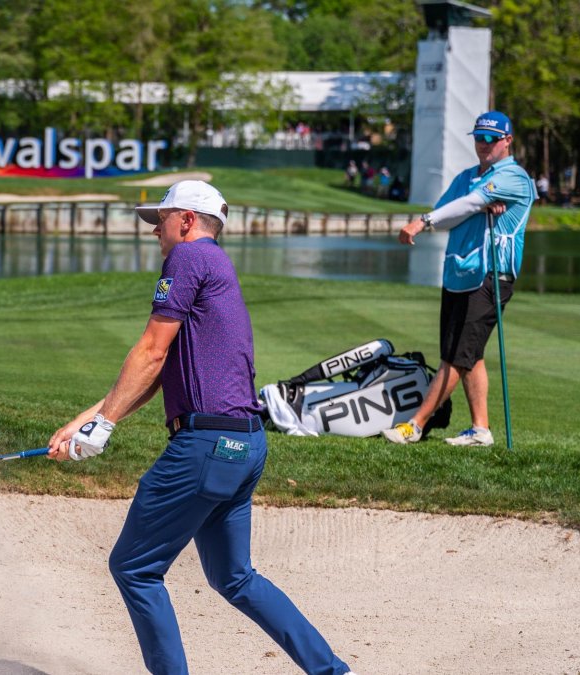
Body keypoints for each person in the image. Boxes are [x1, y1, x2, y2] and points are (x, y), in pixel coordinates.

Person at [48, 180, 354, 675]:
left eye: (160, 222)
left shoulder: (188, 260)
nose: (155, 233)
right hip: (244, 445)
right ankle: (333, 671)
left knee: (134, 568)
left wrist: (102, 426)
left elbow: (151, 350)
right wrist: (87, 419)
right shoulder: (215, 263)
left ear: (186, 221)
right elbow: (157, 371)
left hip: (207, 446)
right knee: (235, 577)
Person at [382, 111, 535, 447]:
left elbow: (466, 204)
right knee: (470, 355)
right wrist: (467, 209)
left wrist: (422, 222)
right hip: (458, 273)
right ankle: (481, 430)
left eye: (491, 139)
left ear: (507, 141)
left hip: (491, 275)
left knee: (455, 356)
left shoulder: (514, 177)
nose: (483, 145)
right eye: (479, 138)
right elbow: (450, 213)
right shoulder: (467, 176)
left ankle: (415, 426)